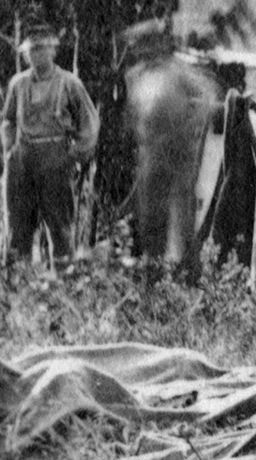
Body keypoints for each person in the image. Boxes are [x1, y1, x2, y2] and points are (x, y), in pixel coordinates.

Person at [122, 21, 221, 276]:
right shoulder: (136, 76)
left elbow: (209, 96)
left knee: (182, 215)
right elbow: (134, 112)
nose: (145, 51)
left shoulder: (177, 71)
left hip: (177, 152)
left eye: (149, 44)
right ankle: (152, 271)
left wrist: (190, 127)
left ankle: (189, 273)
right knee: (150, 214)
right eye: (140, 46)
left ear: (158, 44)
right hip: (150, 153)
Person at [4, 25, 100, 264]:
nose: (37, 54)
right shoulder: (18, 84)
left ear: (53, 51)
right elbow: (7, 120)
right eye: (32, 50)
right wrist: (9, 150)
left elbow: (89, 123)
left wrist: (75, 154)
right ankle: (19, 287)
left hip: (56, 161)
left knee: (60, 228)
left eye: (43, 48)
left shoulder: (69, 83)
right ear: (26, 54)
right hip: (23, 162)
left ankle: (63, 285)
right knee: (19, 228)